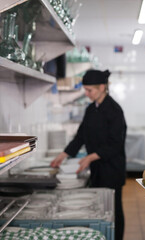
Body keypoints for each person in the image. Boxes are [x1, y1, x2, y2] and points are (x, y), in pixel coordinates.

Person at [50, 69, 127, 240]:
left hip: (112, 169)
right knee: (99, 209)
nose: (86, 94)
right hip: (96, 168)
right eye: (85, 90)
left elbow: (115, 144)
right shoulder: (91, 109)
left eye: (89, 90)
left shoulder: (114, 111)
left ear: (101, 87)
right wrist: (63, 155)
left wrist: (90, 157)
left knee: (113, 210)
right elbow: (81, 136)